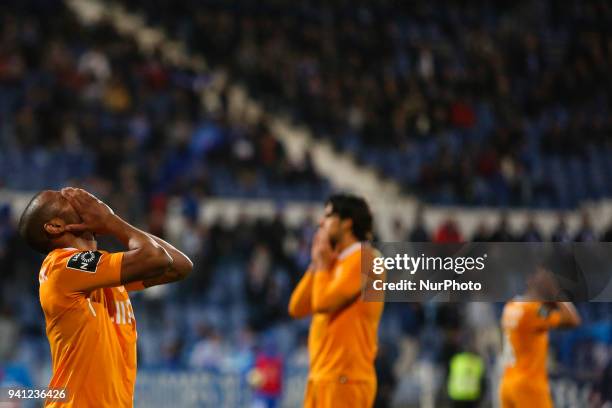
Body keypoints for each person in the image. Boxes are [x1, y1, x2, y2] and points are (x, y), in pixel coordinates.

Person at [18, 188, 193, 407]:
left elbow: (179, 266)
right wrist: (111, 222)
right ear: (55, 226)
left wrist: (112, 223)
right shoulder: (60, 266)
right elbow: (155, 258)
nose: (77, 196)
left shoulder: (98, 274)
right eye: (64, 198)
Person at [288, 194, 383, 408]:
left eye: (329, 216)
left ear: (347, 222)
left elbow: (323, 304)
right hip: (321, 377)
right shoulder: (334, 263)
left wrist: (322, 267)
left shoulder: (367, 259)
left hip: (346, 379)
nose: (321, 223)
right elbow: (296, 308)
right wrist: (316, 264)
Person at [499, 267, 581, 408]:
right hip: (529, 386)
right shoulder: (533, 310)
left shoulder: (512, 305)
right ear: (529, 280)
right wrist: (556, 291)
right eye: (543, 277)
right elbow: (573, 320)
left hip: (508, 383)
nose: (548, 279)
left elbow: (543, 311)